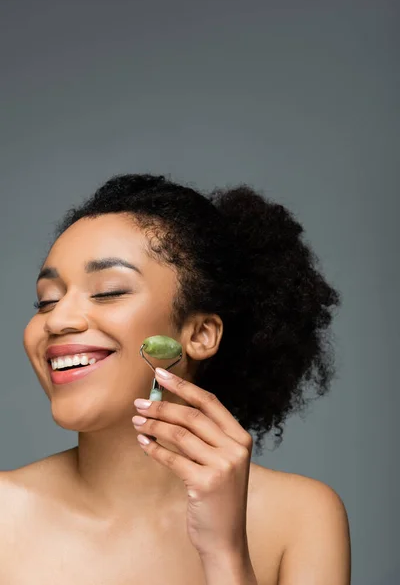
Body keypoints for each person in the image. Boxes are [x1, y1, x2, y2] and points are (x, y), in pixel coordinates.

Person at [0, 174, 351, 584]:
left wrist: (225, 553)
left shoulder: (301, 517)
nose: (57, 320)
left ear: (200, 335)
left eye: (109, 291)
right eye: (47, 300)